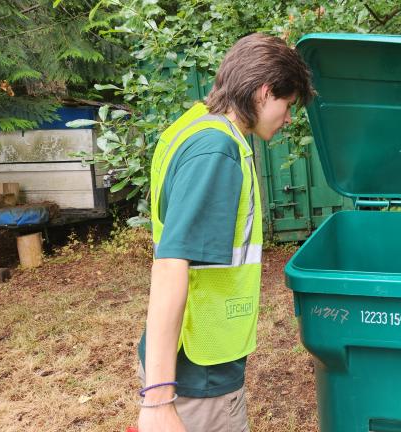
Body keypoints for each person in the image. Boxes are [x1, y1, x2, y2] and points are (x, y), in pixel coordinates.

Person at [136, 33, 314, 432]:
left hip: (194, 361)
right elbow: (170, 266)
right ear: (265, 92)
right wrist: (159, 398)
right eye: (287, 106)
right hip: (198, 375)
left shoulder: (195, 126)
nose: (287, 119)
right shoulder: (216, 151)